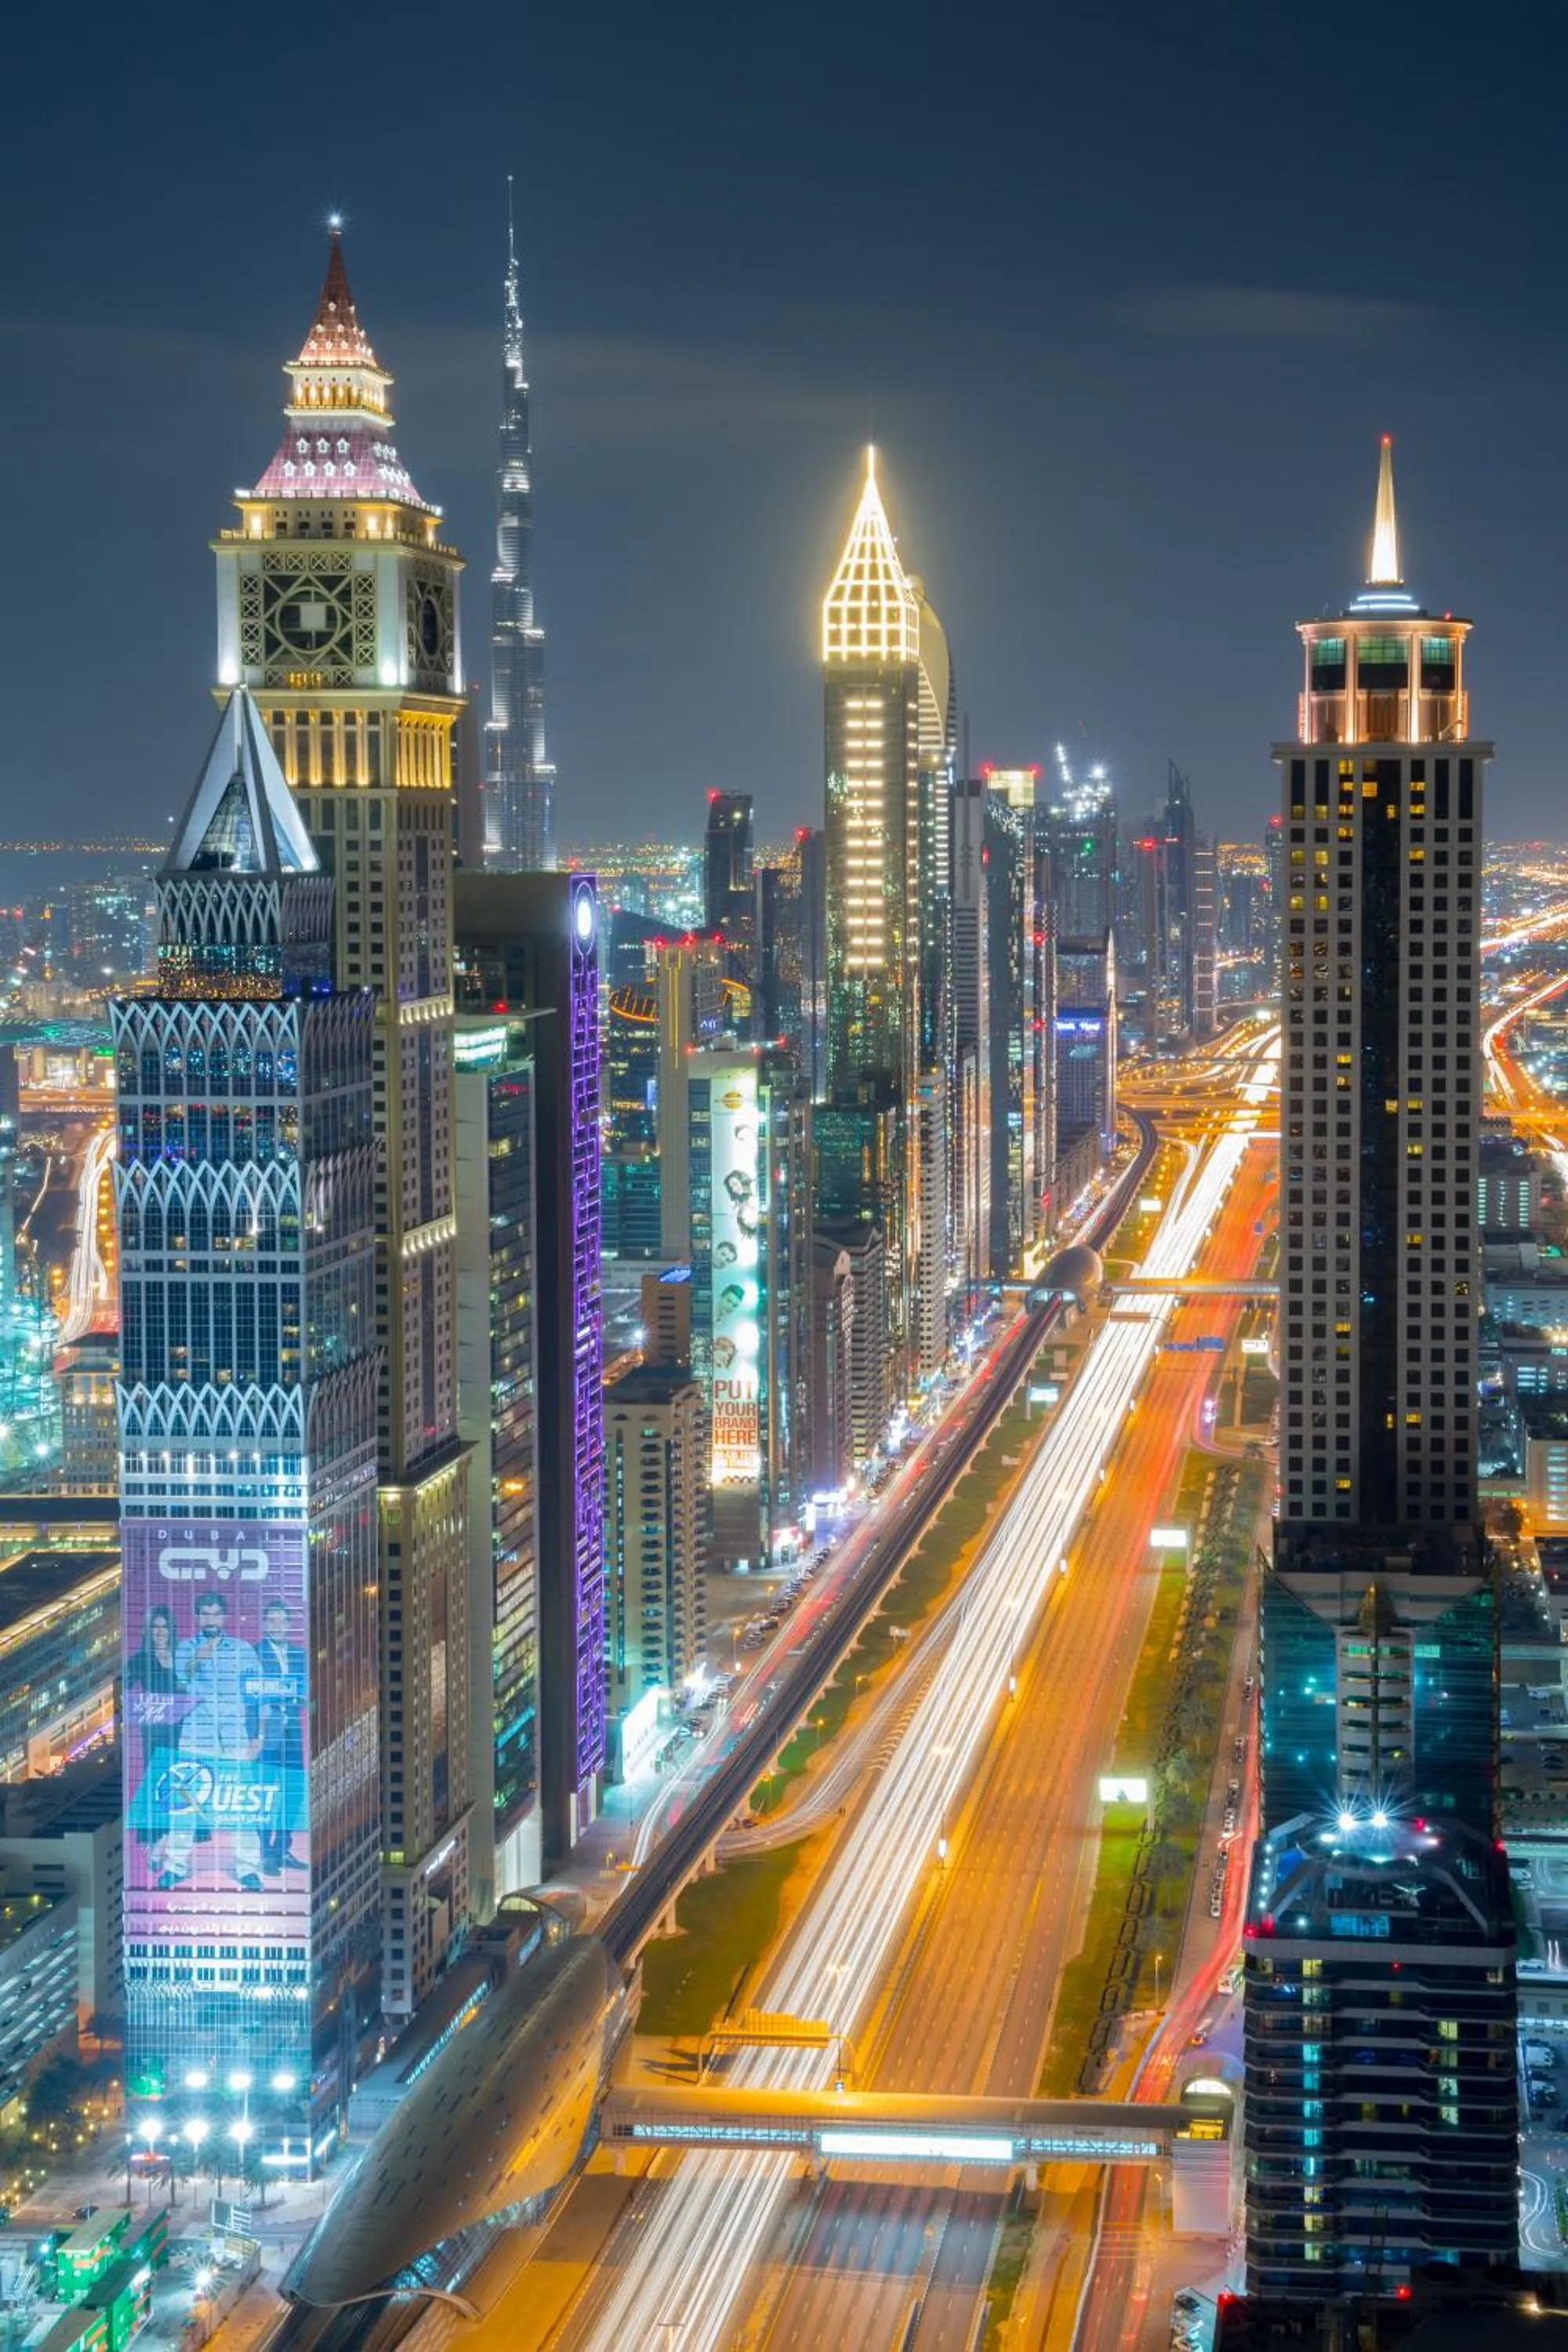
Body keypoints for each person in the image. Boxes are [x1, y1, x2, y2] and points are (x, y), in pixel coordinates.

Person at [159, 1593, 264, 1893]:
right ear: (198, 1617)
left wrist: (259, 1736)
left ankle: (248, 1869)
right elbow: (182, 1676)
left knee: (241, 1804)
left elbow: (258, 1695)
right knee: (184, 1805)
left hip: (234, 1737)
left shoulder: (243, 1650)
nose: (211, 1619)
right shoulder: (185, 1649)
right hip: (196, 1736)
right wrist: (201, 1656)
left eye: (216, 1614)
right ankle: (175, 1866)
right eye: (205, 1614)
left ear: (224, 1618)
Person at [124, 1605, 185, 1878]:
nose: (160, 1633)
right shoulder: (140, 1659)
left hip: (186, 1729)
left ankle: (168, 1846)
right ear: (148, 1631)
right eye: (155, 1627)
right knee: (161, 1787)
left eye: (164, 1627)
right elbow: (122, 1687)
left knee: (184, 1787)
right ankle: (157, 1847)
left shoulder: (183, 1655)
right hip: (157, 1732)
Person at [250, 1600, 307, 1876]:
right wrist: (255, 1736)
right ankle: (266, 1853)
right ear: (264, 1624)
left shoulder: (299, 1654)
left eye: (281, 1621)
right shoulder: (255, 1654)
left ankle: (282, 1848)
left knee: (293, 1793)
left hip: (292, 1734)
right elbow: (249, 1696)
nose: (276, 1626)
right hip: (266, 1736)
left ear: (289, 1625)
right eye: (271, 1620)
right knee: (264, 1795)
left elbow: (304, 1690)